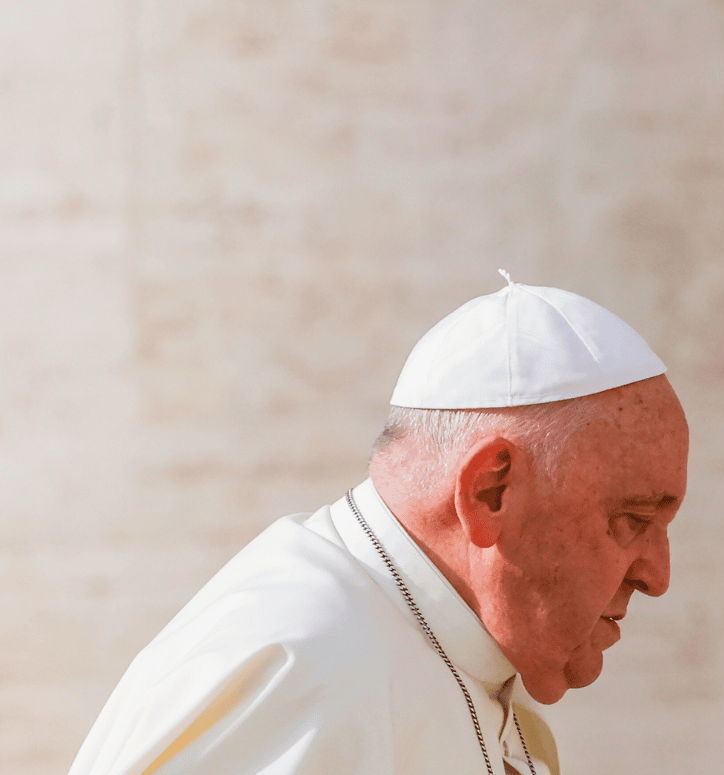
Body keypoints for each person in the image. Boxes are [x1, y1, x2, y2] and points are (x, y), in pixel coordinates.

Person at [68, 272, 690, 775]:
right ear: (490, 491)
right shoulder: (305, 672)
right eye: (632, 520)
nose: (658, 577)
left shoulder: (450, 641)